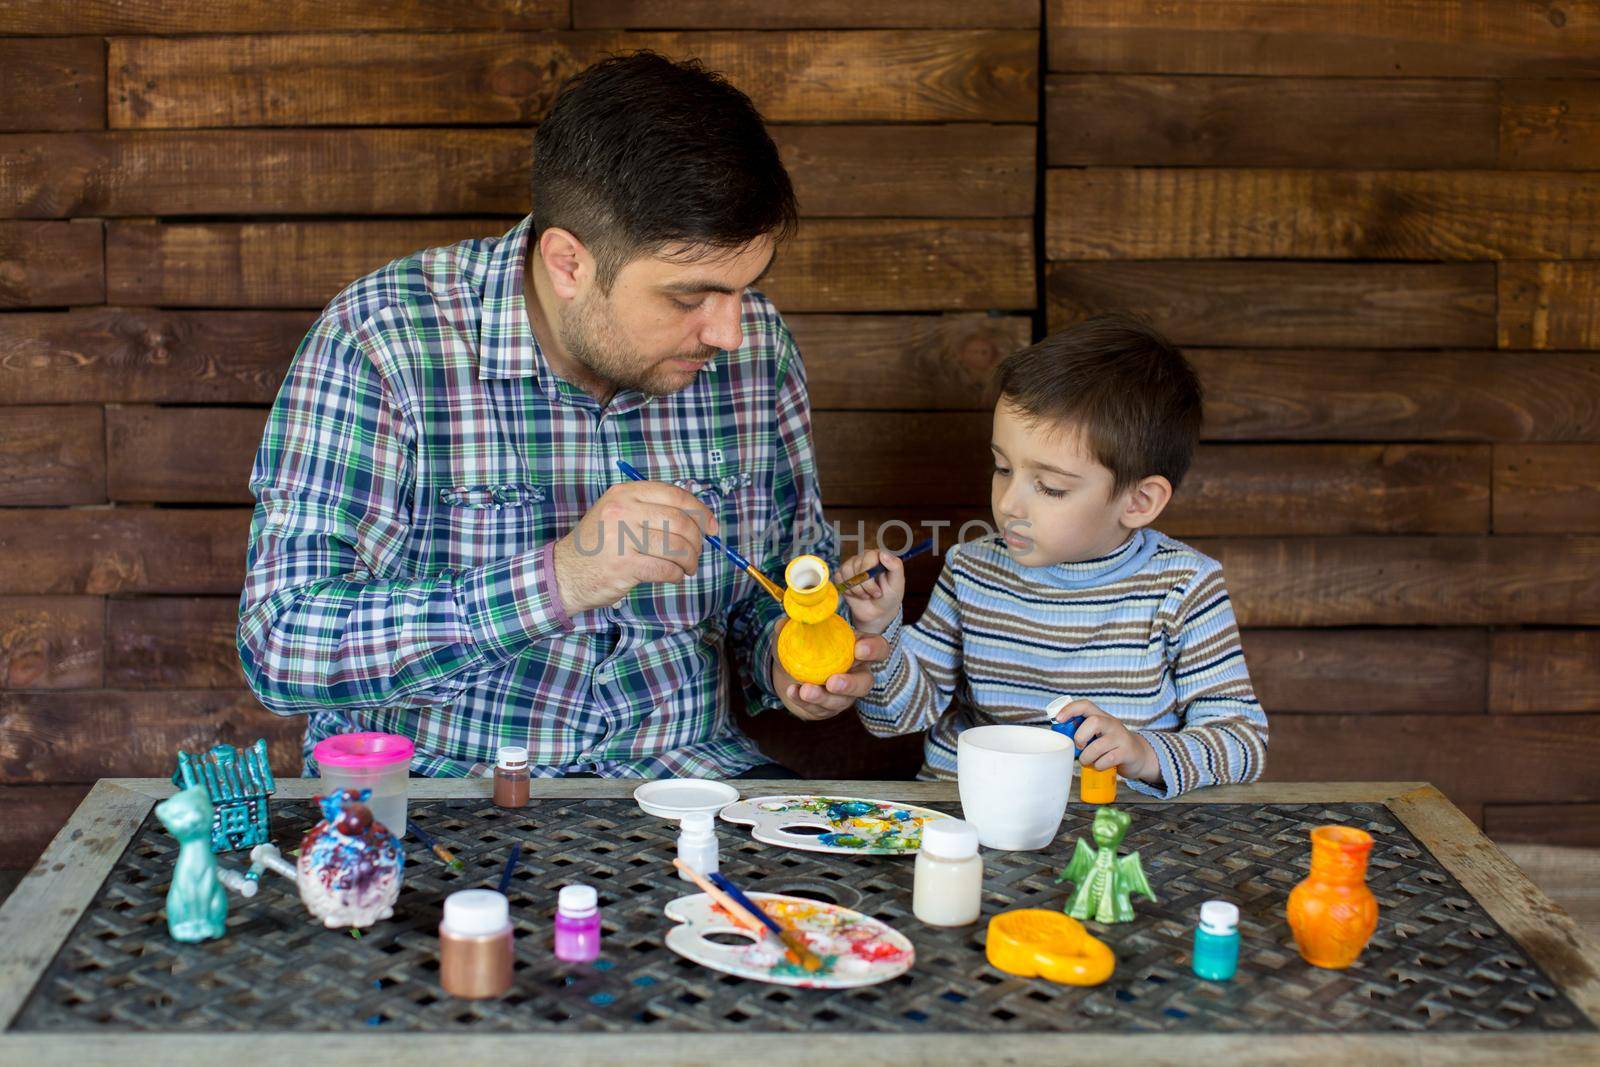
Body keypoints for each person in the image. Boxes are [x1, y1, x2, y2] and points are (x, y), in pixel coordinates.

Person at [238, 52, 888, 779]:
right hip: (446, 789)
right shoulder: (384, 341)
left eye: (746, 288)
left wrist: (792, 662)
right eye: (687, 298)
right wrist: (562, 578)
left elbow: (772, 592)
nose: (731, 332)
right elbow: (281, 645)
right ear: (568, 263)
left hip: (690, 777)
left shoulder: (756, 348)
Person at [838, 315, 1267, 797]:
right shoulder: (971, 570)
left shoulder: (1184, 587)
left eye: (1050, 486)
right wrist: (880, 629)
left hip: (1113, 835)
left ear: (1138, 502)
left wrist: (1144, 753)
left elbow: (1242, 741)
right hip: (970, 818)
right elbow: (895, 718)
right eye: (1002, 467)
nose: (1008, 504)